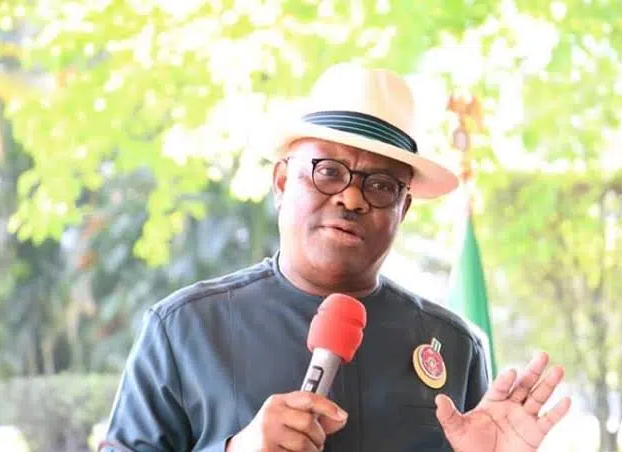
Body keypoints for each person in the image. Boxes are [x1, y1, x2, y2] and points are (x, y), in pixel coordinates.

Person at [100, 63, 571, 452]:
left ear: (404, 208)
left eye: (381, 185)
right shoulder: (185, 329)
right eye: (328, 172)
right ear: (282, 182)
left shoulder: (454, 345)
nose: (351, 198)